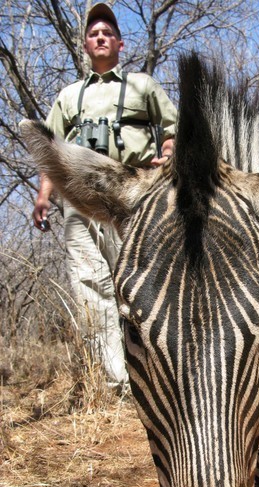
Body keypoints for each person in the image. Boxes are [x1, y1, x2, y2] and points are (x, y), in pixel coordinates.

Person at [32, 3, 177, 394]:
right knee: (90, 285)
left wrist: (165, 156)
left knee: (142, 283)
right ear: (85, 45)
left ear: (119, 43)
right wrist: (44, 197)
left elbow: (173, 129)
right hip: (79, 196)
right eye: (93, 33)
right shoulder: (67, 96)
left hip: (133, 194)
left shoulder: (142, 85)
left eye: (107, 33)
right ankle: (117, 382)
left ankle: (158, 374)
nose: (100, 37)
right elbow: (50, 149)